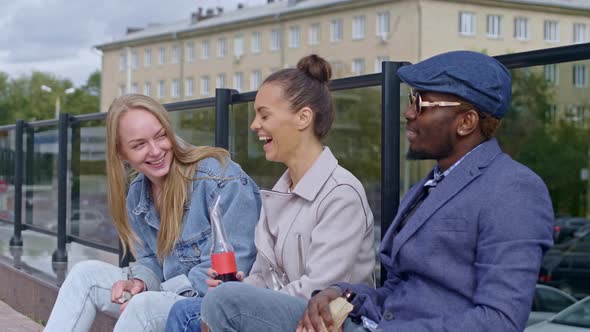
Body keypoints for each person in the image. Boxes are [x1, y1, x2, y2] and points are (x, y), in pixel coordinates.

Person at [296, 50, 554, 332]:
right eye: (410, 100)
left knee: (238, 307)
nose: (408, 113)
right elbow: (398, 296)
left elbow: (499, 321)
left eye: (420, 103)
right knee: (239, 301)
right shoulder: (430, 185)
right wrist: (344, 294)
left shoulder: (514, 190)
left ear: (466, 122)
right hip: (369, 324)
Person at [166, 54, 376, 332]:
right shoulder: (278, 193)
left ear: (303, 118)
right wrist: (241, 288)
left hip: (324, 320)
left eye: (264, 115)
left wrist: (241, 301)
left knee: (216, 305)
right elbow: (262, 278)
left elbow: (319, 292)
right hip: (283, 311)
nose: (254, 125)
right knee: (185, 311)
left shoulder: (341, 195)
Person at [44, 94, 261, 332]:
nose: (156, 151)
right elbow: (150, 260)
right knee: (84, 275)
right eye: (139, 145)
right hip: (167, 294)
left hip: (211, 304)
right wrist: (139, 282)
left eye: (161, 136)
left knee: (142, 306)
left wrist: (153, 293)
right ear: (121, 153)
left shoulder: (219, 178)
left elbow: (237, 264)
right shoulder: (138, 194)